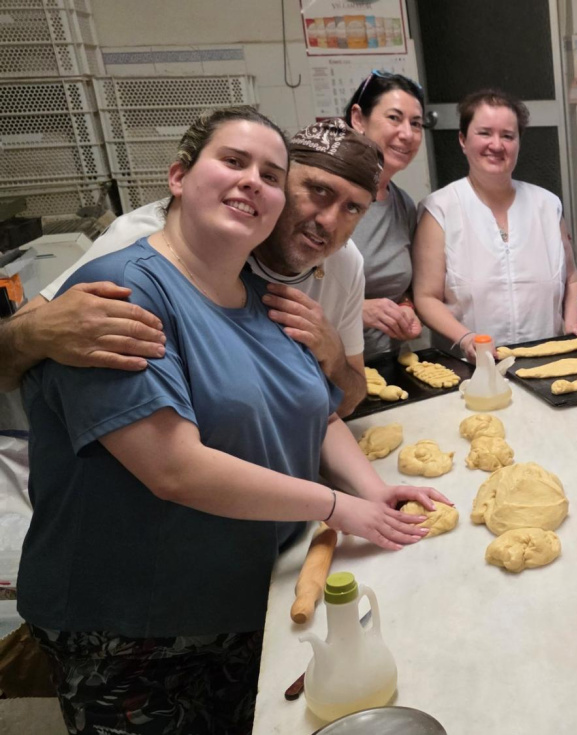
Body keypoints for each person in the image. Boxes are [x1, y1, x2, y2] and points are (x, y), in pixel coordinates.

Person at [19, 107, 448, 735]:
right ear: (178, 178)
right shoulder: (123, 291)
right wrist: (337, 506)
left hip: (246, 599)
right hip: (135, 626)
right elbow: (173, 467)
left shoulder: (252, 290)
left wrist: (374, 489)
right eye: (233, 162)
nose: (252, 183)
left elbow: (316, 410)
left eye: (269, 175)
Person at [2, 118, 384, 417]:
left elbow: (348, 401)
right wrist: (35, 331)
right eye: (318, 190)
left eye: (353, 208)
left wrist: (331, 352)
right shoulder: (152, 243)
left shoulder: (343, 262)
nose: (330, 221)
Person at [412, 89, 577, 361]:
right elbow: (426, 297)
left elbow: (573, 280)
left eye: (507, 136)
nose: (497, 144)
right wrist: (466, 337)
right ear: (462, 140)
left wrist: (573, 323)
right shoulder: (440, 209)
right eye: (484, 133)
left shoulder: (547, 206)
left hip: (545, 362)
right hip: (472, 371)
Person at [345, 70, 426, 357]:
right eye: (394, 118)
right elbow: (279, 293)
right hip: (325, 369)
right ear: (358, 119)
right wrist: (357, 310)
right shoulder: (323, 199)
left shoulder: (403, 204)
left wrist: (405, 309)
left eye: (416, 124)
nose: (407, 134)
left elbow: (401, 288)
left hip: (387, 364)